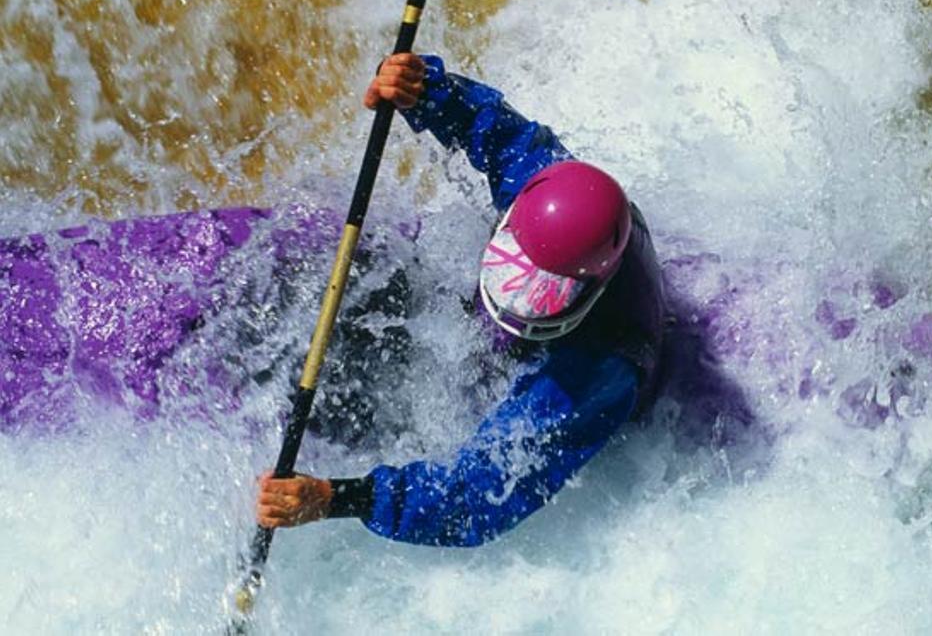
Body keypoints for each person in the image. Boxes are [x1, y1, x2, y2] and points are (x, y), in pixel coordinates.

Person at [256, 53, 665, 547]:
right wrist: (425, 89)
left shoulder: (589, 377)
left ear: (590, 292)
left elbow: (473, 501)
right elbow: (496, 132)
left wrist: (339, 497)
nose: (519, 303)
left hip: (560, 381)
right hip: (524, 343)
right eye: (515, 280)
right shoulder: (547, 184)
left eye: (540, 297)